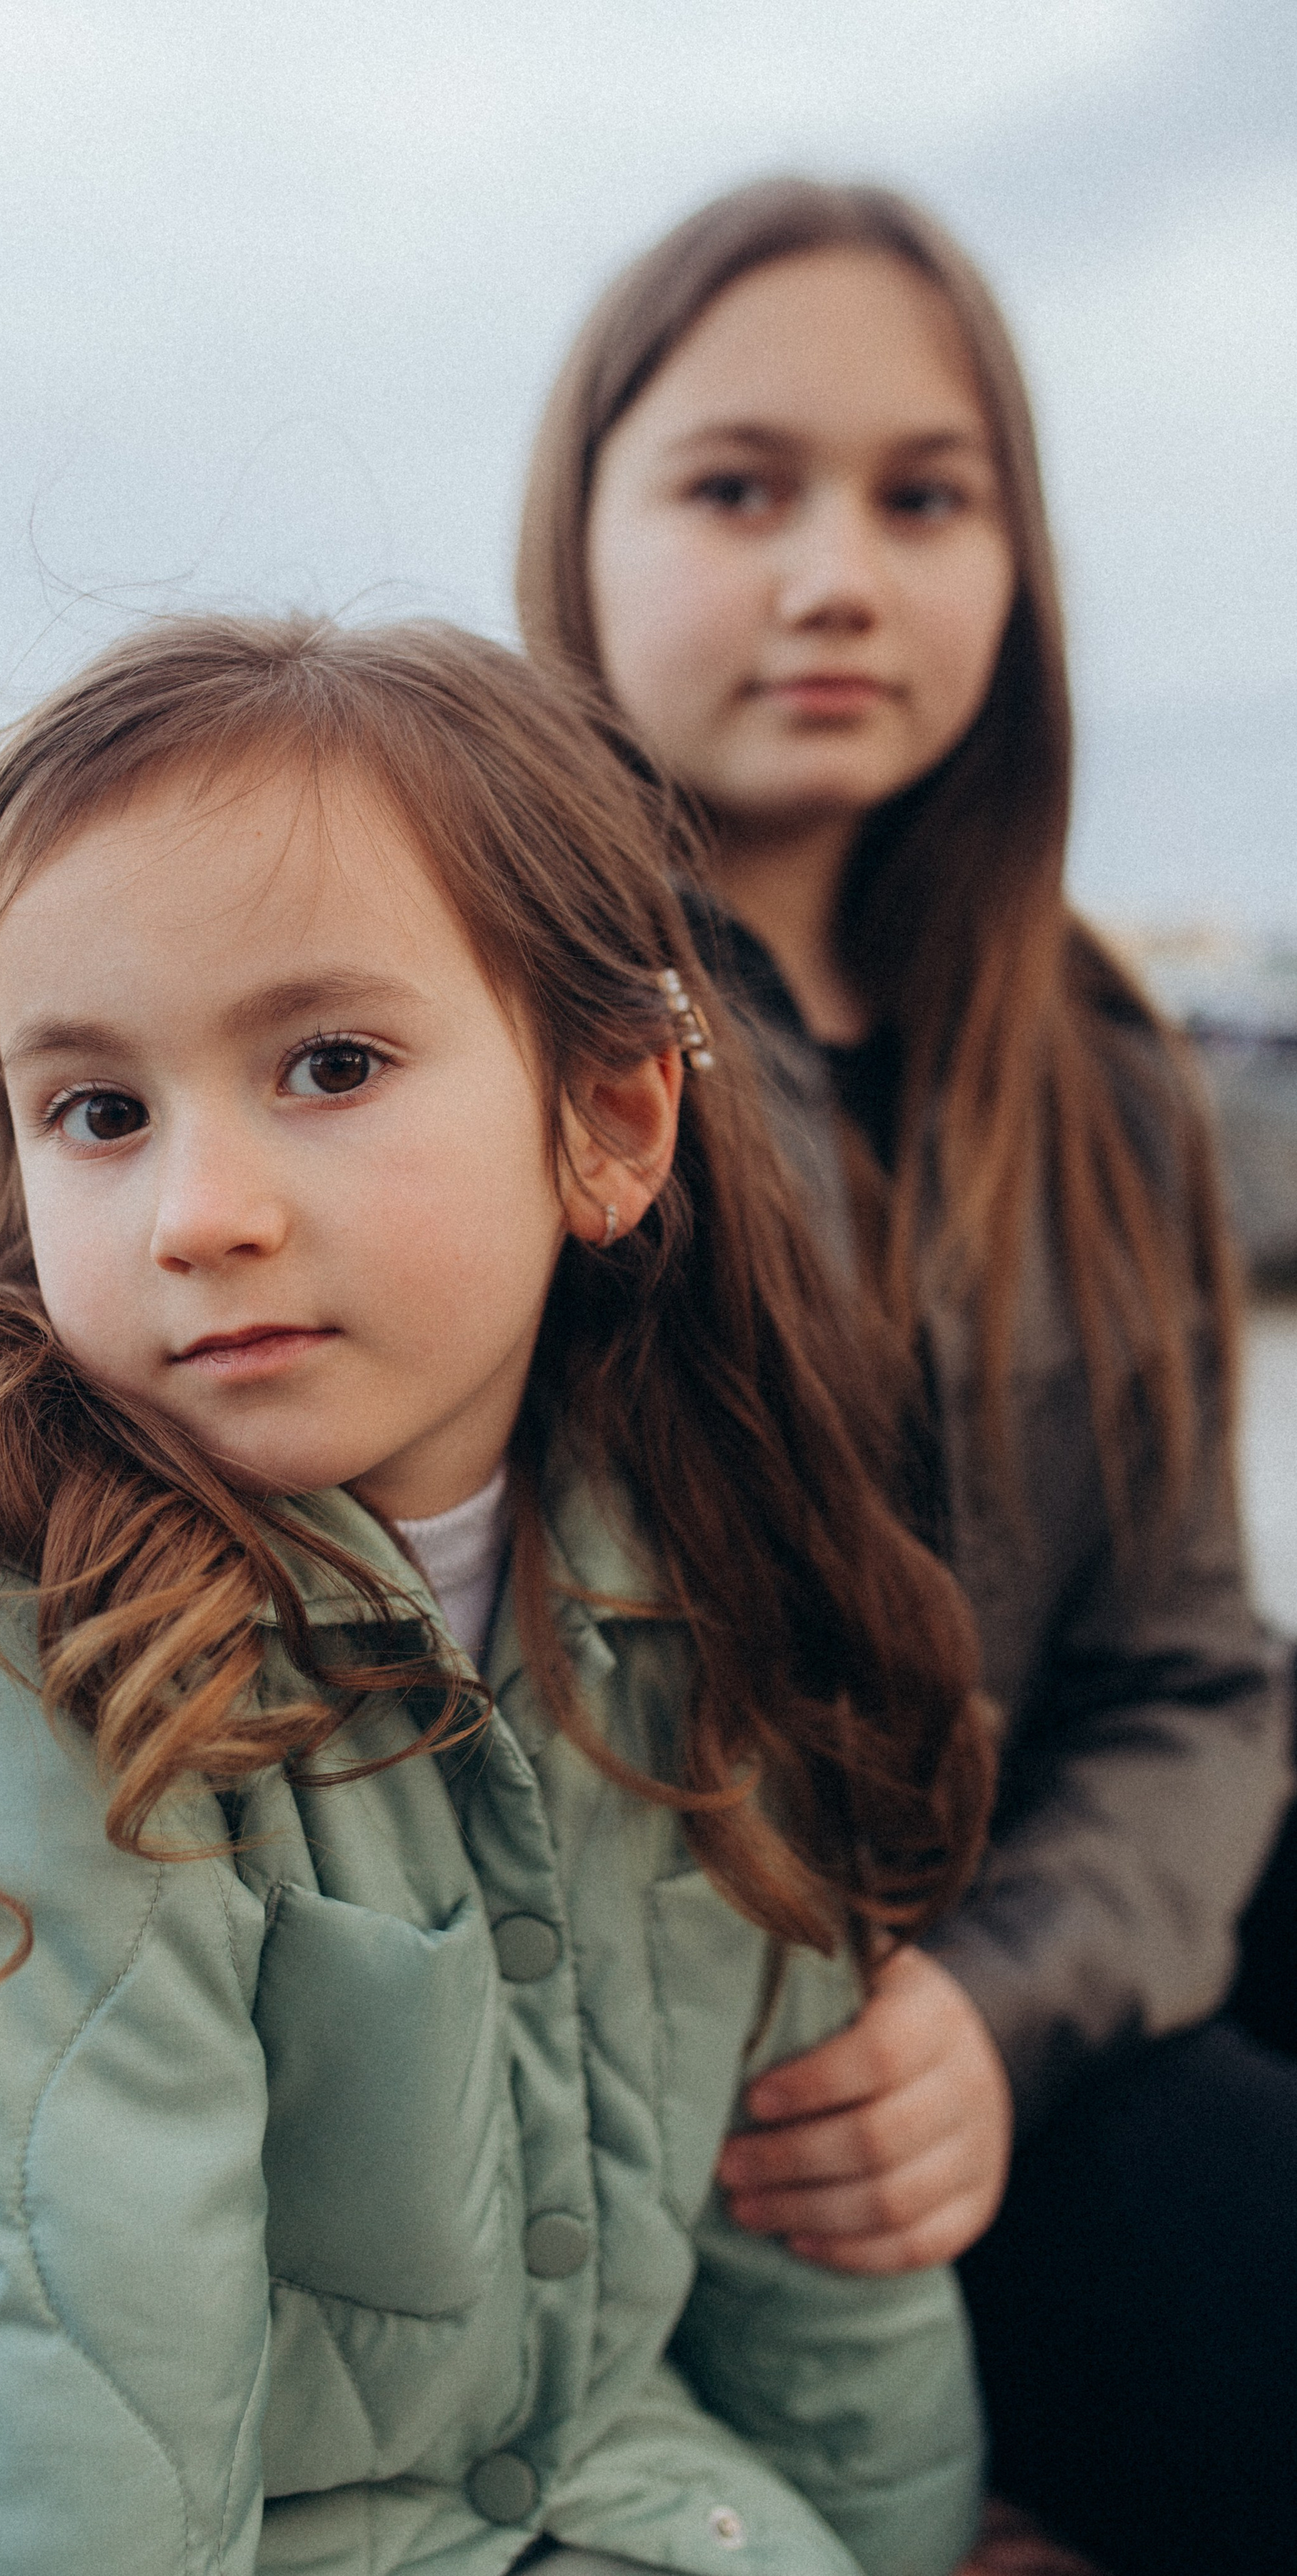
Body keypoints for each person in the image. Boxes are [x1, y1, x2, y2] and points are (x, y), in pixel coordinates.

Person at [0, 616, 1001, 2576]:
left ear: (610, 1122)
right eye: (99, 1111)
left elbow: (818, 2270)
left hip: (608, 2504)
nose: (199, 1210)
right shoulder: (8, 1656)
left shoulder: (711, 1571)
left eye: (329, 1064)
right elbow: (73, 2442)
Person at [516, 178, 1297, 2576]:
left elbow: (1188, 1677)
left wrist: (1002, 2003)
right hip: (722, 2107)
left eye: (923, 496)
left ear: (1013, 564)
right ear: (585, 526)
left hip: (1022, 1998)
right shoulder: (477, 1030)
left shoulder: (1106, 1071)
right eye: (741, 487)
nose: (837, 572)